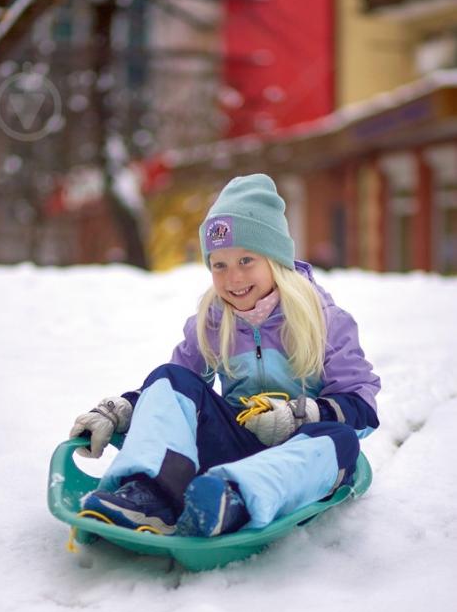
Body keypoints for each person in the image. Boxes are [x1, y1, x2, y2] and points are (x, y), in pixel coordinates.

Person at [69, 174, 380, 538]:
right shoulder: (212, 323)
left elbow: (363, 408)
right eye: (219, 264)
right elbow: (171, 399)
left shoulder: (325, 320)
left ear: (275, 260)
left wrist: (304, 414)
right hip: (234, 442)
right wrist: (121, 410)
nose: (233, 278)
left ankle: (234, 500)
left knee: (342, 442)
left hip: (296, 457)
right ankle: (150, 494)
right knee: (170, 375)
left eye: (246, 260)